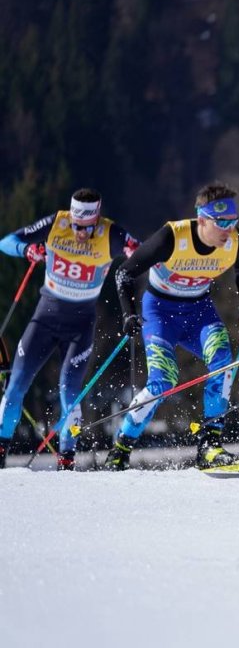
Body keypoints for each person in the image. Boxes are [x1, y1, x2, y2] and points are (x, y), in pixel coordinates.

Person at [108, 182, 239, 470]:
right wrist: (129, 314)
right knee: (163, 380)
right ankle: (122, 446)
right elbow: (124, 274)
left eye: (233, 221)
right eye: (221, 222)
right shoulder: (172, 237)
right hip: (160, 312)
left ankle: (210, 445)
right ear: (202, 219)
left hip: (199, 312)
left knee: (222, 361)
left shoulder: (237, 242)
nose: (228, 229)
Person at [0, 189, 139, 470]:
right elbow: (6, 242)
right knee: (15, 386)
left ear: (96, 219)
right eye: (76, 225)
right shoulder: (56, 223)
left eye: (87, 228)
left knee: (70, 393)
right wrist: (26, 250)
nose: (80, 232)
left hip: (81, 326)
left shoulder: (111, 233)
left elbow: (143, 250)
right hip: (45, 320)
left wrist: (133, 253)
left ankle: (66, 458)